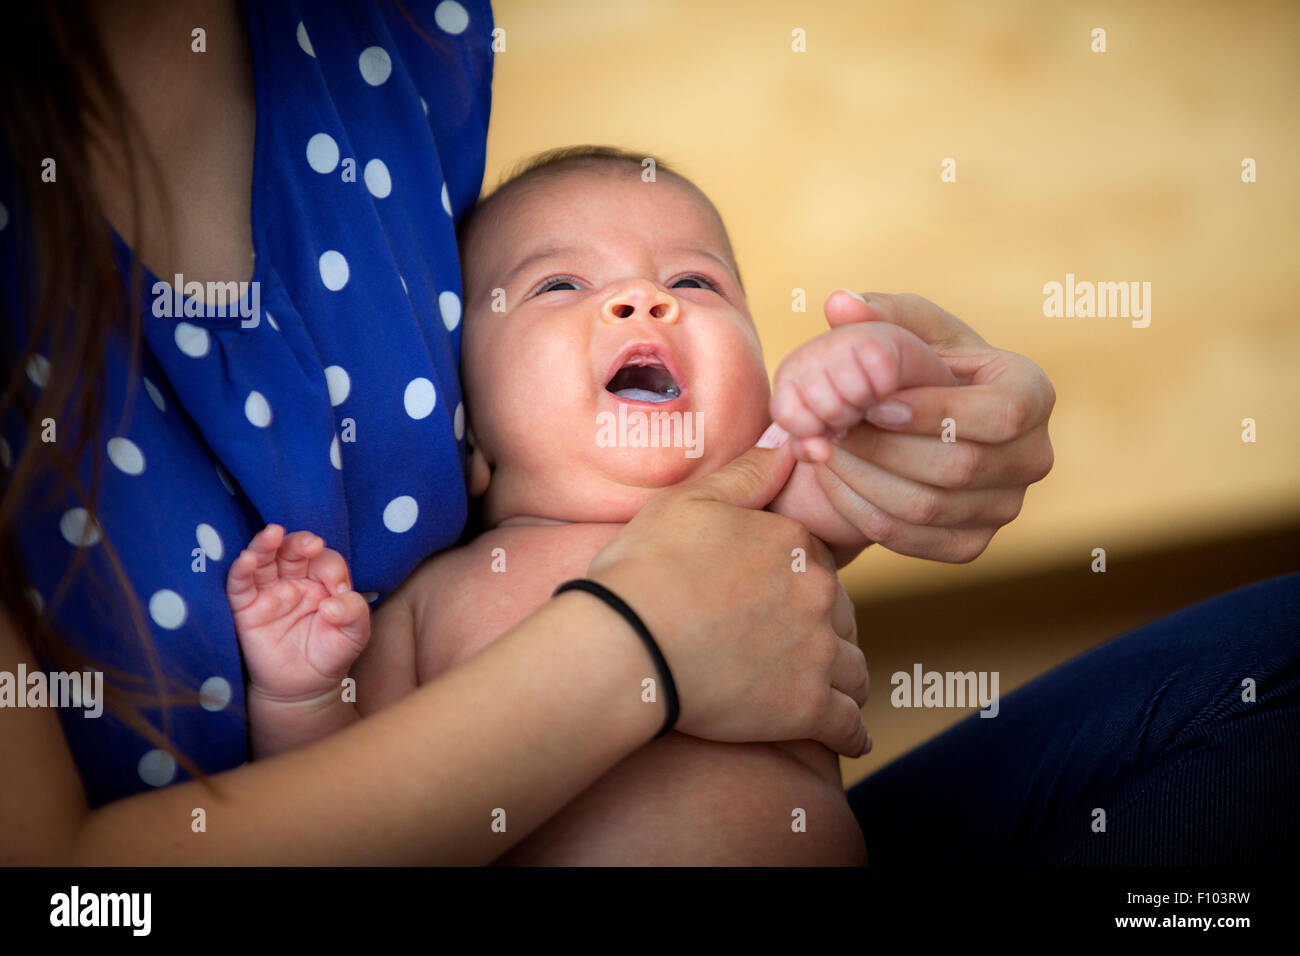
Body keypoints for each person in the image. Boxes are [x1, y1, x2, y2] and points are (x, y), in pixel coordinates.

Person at [0, 0, 1085, 866]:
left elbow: (868, 448)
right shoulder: (433, 605)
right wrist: (297, 686)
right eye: (561, 282)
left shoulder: (764, 507)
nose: (641, 303)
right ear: (466, 436)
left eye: (695, 282)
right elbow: (345, 798)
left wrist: (881, 375)